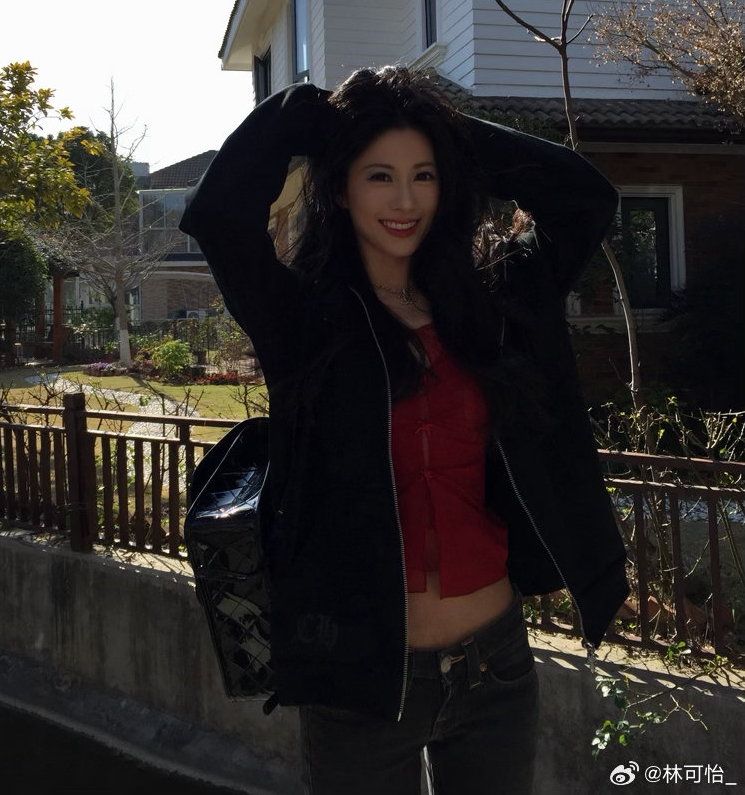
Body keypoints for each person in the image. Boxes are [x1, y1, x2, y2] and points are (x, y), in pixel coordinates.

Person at [179, 67, 628, 795]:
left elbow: (584, 198)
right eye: (379, 176)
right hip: (360, 677)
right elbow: (219, 214)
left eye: (424, 176)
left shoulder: (493, 303)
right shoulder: (302, 320)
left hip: (494, 667)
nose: (405, 200)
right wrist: (317, 118)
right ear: (340, 187)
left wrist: (441, 128)